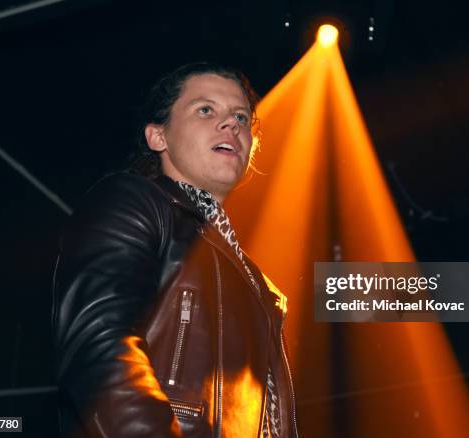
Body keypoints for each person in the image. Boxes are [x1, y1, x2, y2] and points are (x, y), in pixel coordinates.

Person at [52, 62, 298, 437]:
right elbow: (99, 345)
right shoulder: (133, 202)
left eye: (241, 117)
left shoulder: (260, 285)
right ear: (158, 137)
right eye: (205, 110)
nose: (231, 124)